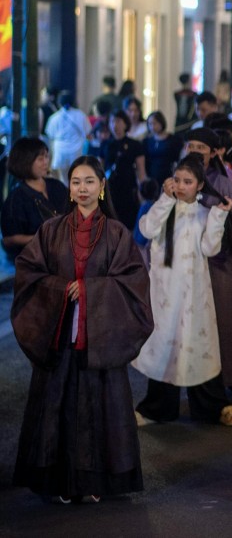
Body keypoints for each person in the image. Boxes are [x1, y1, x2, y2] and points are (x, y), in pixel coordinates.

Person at [11, 156, 153, 502]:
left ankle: (96, 483)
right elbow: (28, 271)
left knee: (99, 409)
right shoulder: (51, 230)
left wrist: (90, 290)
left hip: (98, 341)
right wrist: (61, 289)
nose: (82, 188)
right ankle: (59, 482)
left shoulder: (117, 233)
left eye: (89, 181)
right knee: (57, 408)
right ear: (70, 188)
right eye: (76, 182)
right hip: (60, 336)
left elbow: (134, 282)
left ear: (102, 187)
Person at [133, 156, 232, 426]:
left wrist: (219, 215)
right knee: (165, 348)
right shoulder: (162, 208)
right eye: (178, 180)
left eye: (188, 182)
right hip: (165, 296)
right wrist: (165, 199)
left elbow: (210, 248)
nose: (181, 186)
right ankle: (156, 409)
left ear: (200, 185)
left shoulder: (204, 214)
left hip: (195, 297)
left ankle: (211, 407)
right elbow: (146, 229)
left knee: (199, 347)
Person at [184, 128, 232, 397]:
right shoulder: (178, 181)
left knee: (226, 324)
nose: (194, 152)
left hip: (220, 264)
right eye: (191, 146)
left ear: (214, 153)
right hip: (189, 266)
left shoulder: (225, 185)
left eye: (201, 148)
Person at [1, 137, 69, 261]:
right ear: (25, 162)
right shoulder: (16, 199)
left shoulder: (57, 186)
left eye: (46, 157)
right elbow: (9, 240)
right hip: (36, 261)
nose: (46, 162)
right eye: (40, 159)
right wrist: (42, 238)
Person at [102, 110, 147, 229]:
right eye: (112, 121)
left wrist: (143, 191)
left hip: (128, 186)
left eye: (118, 121)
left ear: (125, 123)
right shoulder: (106, 144)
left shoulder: (135, 144)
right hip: (110, 187)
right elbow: (99, 167)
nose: (114, 125)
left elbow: (141, 171)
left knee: (128, 222)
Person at [44, 92, 91, 184]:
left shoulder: (54, 117)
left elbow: (50, 135)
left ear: (59, 102)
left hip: (60, 151)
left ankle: (65, 191)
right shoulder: (81, 115)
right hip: (77, 151)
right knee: (76, 178)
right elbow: (87, 132)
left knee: (63, 178)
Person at [143, 111, 184, 184]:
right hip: (151, 177)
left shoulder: (173, 140)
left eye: (155, 123)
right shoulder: (147, 141)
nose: (152, 127)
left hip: (169, 176)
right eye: (150, 124)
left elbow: (178, 159)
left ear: (161, 122)